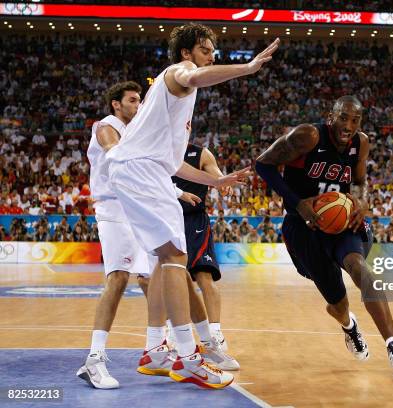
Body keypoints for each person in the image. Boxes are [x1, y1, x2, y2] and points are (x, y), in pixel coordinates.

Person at [106, 23, 278, 389]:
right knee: (174, 260)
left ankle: (157, 351)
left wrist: (215, 181)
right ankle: (187, 357)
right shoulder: (177, 74)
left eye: (213, 49)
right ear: (187, 54)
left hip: (140, 171)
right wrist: (247, 68)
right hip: (140, 172)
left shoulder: (173, 109)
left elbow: (173, 164)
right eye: (205, 49)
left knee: (166, 260)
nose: (211, 54)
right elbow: (195, 75)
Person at [256, 95, 393, 383]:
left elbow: (359, 181)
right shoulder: (308, 136)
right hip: (303, 227)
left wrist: (362, 201)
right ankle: (349, 325)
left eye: (355, 120)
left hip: (342, 221)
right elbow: (263, 165)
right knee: (337, 302)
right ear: (331, 116)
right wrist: (298, 202)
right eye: (344, 117)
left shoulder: (360, 143)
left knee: (360, 267)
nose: (349, 125)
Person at [77, 81, 152, 389]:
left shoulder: (135, 133)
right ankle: (94, 361)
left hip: (136, 211)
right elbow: (112, 150)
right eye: (133, 101)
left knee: (151, 278)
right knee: (119, 277)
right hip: (114, 210)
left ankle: (158, 349)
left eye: (140, 101)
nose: (139, 105)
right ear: (116, 105)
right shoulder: (106, 125)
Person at [169, 142, 240, 370]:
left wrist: (223, 184)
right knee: (173, 280)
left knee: (204, 277)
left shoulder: (200, 153)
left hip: (194, 220)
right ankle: (172, 335)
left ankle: (215, 334)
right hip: (168, 219)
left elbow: (216, 176)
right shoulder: (158, 146)